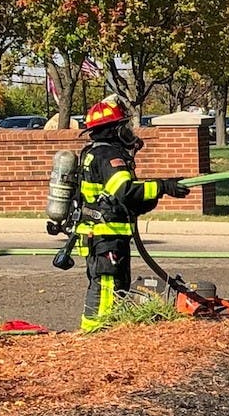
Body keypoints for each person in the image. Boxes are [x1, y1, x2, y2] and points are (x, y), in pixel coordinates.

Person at [76, 96, 191, 332]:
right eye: (125, 126)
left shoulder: (92, 153)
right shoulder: (108, 156)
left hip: (104, 236)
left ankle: (104, 333)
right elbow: (126, 191)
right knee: (107, 289)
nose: (128, 131)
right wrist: (162, 187)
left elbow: (121, 199)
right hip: (105, 238)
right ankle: (96, 335)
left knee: (114, 287)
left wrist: (154, 195)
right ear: (114, 129)